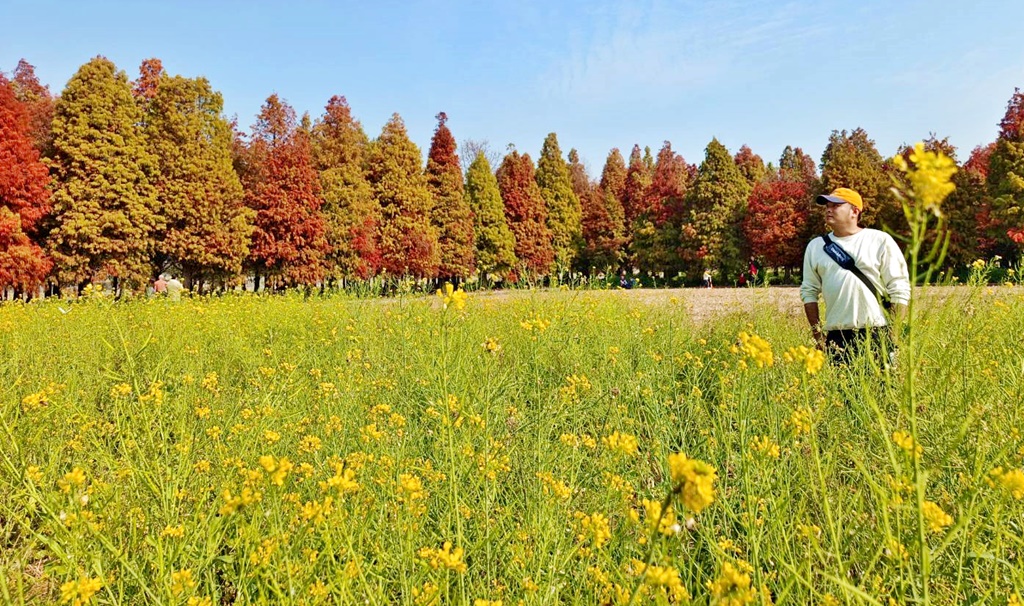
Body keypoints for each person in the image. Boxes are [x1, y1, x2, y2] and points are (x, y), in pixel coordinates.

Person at [800, 187, 910, 364]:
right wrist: (818, 336)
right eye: (827, 206)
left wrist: (893, 334)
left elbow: (899, 288)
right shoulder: (816, 246)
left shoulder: (880, 240)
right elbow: (808, 292)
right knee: (842, 391)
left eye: (836, 205)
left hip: (878, 332)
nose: (828, 209)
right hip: (837, 337)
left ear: (855, 211)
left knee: (884, 390)